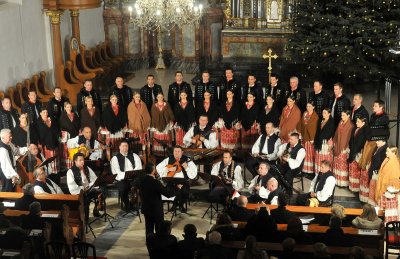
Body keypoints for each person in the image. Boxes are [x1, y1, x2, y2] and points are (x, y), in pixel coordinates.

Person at [139, 163, 177, 236]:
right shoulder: (155, 182)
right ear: (153, 170)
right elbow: (168, 194)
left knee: (149, 228)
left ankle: (149, 243)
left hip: (146, 208)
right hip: (156, 209)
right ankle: (158, 243)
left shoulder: (141, 180)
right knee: (159, 229)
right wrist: (177, 188)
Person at [156, 146, 197, 212]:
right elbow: (158, 168)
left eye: (179, 151)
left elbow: (193, 175)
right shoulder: (168, 159)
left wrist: (187, 168)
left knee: (183, 191)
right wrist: (168, 169)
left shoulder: (187, 160)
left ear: (182, 152)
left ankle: (179, 204)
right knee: (169, 190)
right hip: (171, 182)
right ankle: (175, 204)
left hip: (184, 182)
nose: (177, 153)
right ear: (173, 152)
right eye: (175, 151)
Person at [66, 152, 103, 219]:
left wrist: (92, 185)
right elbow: (72, 187)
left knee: (101, 192)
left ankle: (96, 210)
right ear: (75, 161)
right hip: (79, 193)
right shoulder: (70, 172)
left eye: (83, 160)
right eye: (80, 160)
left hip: (89, 189)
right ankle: (85, 220)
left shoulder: (87, 168)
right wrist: (83, 188)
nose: (82, 162)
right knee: (86, 200)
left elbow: (94, 178)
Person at [111, 140, 142, 211]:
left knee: (141, 183)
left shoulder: (134, 155)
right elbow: (116, 171)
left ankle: (137, 202)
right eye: (123, 146)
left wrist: (132, 173)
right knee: (122, 188)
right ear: (119, 147)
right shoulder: (115, 158)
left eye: (126, 146)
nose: (125, 148)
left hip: (133, 178)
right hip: (121, 179)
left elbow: (138, 167)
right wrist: (125, 176)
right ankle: (127, 205)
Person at [362, 138, 388, 205]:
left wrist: (376, 170)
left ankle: (374, 204)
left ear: (383, 142)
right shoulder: (378, 148)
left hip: (377, 172)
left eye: (378, 141)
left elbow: (382, 163)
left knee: (375, 188)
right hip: (373, 171)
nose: (376, 142)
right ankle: (371, 203)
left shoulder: (384, 150)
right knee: (372, 187)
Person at [296, 101, 319, 177]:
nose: (308, 108)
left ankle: (310, 172)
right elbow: (301, 123)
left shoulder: (315, 116)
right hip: (304, 137)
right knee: (304, 154)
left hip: (310, 139)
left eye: (309, 106)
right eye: (307, 106)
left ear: (313, 107)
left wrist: (312, 138)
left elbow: (314, 127)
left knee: (310, 155)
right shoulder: (305, 113)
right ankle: (304, 170)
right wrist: (299, 132)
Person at [332, 110, 354, 187]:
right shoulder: (341, 122)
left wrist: (344, 147)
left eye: (344, 115)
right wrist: (334, 141)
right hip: (338, 145)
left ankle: (342, 183)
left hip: (344, 148)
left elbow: (348, 138)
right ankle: (337, 181)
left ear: (348, 116)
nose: (342, 117)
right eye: (342, 115)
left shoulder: (350, 125)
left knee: (342, 166)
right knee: (337, 164)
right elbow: (336, 133)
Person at [36, 107, 59, 173]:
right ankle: (50, 173)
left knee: (55, 159)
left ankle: (56, 172)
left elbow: (56, 129)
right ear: (40, 113)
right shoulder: (38, 123)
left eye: (46, 112)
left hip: (54, 142)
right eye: (44, 112)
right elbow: (38, 134)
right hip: (45, 144)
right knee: (48, 161)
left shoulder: (51, 119)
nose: (45, 114)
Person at [348, 117, 368, 192]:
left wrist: (356, 151)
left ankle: (356, 188)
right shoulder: (355, 129)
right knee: (352, 169)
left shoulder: (365, 130)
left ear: (363, 123)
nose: (356, 123)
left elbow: (362, 143)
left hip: (359, 152)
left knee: (357, 170)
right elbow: (351, 140)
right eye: (356, 121)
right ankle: (352, 187)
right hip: (353, 151)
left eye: (358, 122)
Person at [314, 108, 335, 173]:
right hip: (319, 142)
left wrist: (329, 144)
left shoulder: (331, 122)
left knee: (325, 159)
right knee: (319, 159)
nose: (323, 114)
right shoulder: (320, 120)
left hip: (325, 144)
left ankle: (325, 173)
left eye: (325, 113)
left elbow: (330, 134)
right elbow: (317, 131)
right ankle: (318, 173)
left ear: (329, 114)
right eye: (323, 113)